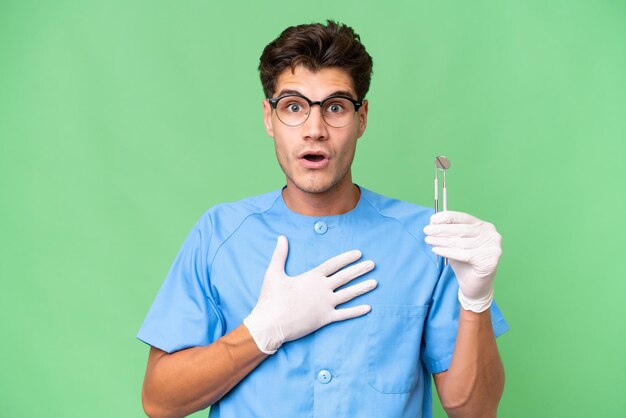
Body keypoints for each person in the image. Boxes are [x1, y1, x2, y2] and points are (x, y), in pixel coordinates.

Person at [137, 20, 509, 418]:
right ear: (269, 118)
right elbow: (160, 402)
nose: (315, 130)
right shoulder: (219, 234)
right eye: (293, 107)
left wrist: (476, 300)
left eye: (335, 107)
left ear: (362, 117)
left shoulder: (429, 242)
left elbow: (475, 411)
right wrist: (262, 332)